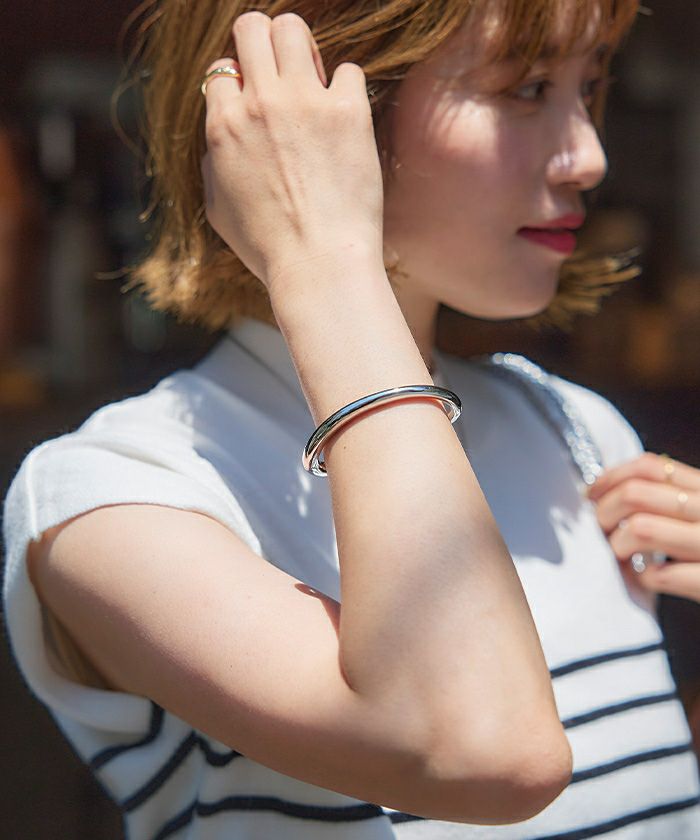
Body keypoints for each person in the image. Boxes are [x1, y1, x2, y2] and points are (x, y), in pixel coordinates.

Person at [3, 0, 700, 837]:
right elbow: (482, 754)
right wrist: (323, 254)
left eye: (588, 87)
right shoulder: (114, 493)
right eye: (526, 88)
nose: (588, 156)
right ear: (307, 107)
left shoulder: (574, 427)